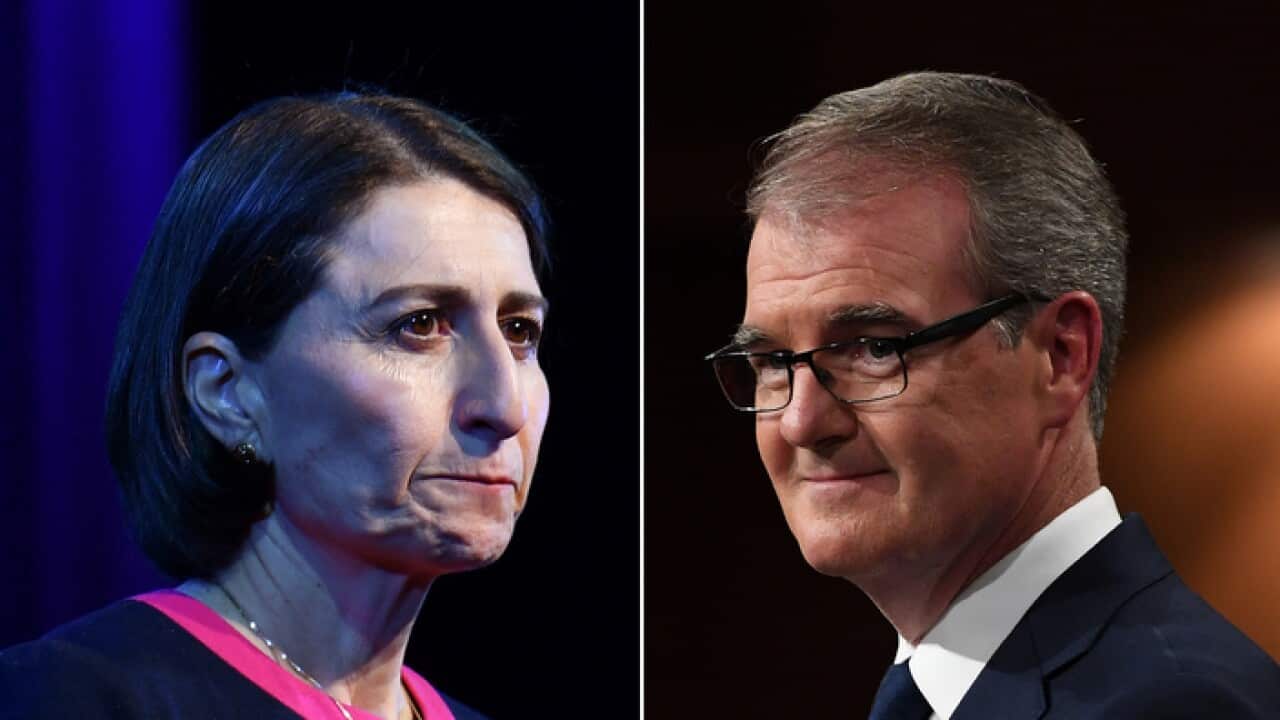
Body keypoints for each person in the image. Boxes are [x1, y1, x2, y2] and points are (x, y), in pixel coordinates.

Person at [706, 72, 1280, 718]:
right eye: (773, 362)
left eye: (873, 347)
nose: (802, 421)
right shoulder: (942, 691)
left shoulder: (1172, 704)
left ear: (1062, 357)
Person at [0, 92, 550, 719]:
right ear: (228, 394)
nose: (503, 405)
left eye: (519, 331)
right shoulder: (63, 700)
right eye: (418, 324)